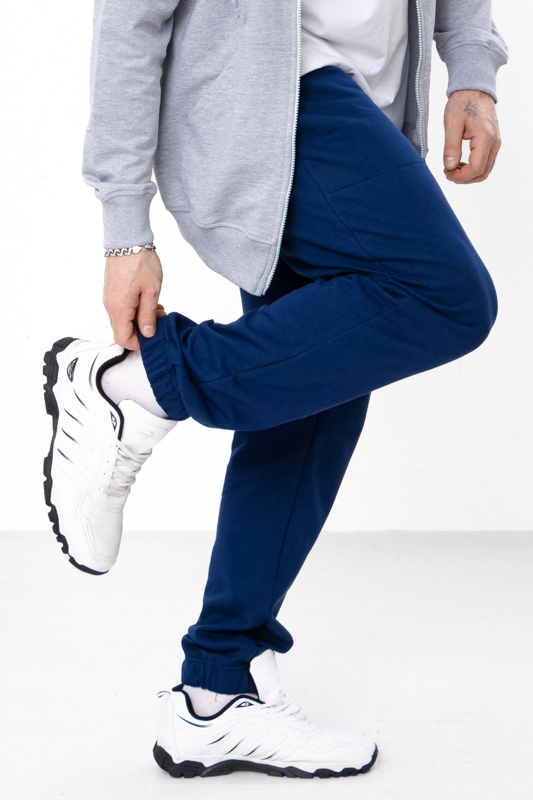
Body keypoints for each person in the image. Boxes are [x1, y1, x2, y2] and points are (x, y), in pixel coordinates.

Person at [43, 0, 507, 780]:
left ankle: (213, 693)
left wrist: (470, 66)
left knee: (307, 401)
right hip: (275, 99)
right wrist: (125, 229)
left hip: (372, 102)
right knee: (448, 298)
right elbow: (129, 18)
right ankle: (140, 385)